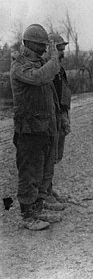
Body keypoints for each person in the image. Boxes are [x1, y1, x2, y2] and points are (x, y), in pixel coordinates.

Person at [10, 24, 63, 230]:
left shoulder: (38, 62)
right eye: (40, 45)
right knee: (29, 172)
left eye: (44, 45)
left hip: (42, 127)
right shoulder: (20, 66)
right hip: (28, 128)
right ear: (28, 44)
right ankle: (27, 215)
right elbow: (40, 77)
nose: (43, 49)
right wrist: (53, 59)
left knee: (39, 171)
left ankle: (38, 208)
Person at [43, 33, 71, 210]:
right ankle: (44, 194)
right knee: (48, 156)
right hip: (51, 116)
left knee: (55, 156)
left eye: (63, 48)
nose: (62, 52)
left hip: (61, 114)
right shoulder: (48, 68)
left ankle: (48, 189)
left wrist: (65, 115)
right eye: (59, 48)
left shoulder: (59, 68)